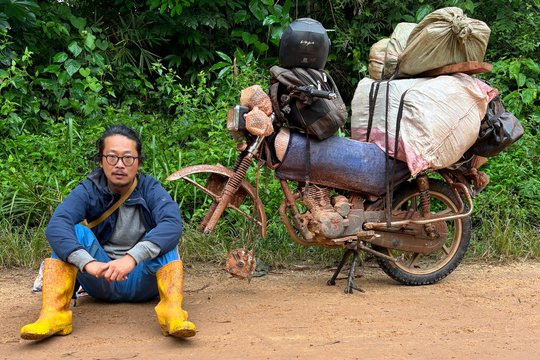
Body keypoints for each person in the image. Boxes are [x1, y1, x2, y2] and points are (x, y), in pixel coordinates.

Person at [20, 124, 196, 340]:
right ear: (101, 161)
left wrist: (132, 258)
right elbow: (58, 224)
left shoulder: (150, 188)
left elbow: (172, 224)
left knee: (166, 239)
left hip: (142, 279)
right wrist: (88, 263)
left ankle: (172, 313)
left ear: (138, 163)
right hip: (100, 278)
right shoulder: (89, 189)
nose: (120, 165)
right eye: (112, 157)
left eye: (128, 158)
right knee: (73, 231)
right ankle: (54, 316)